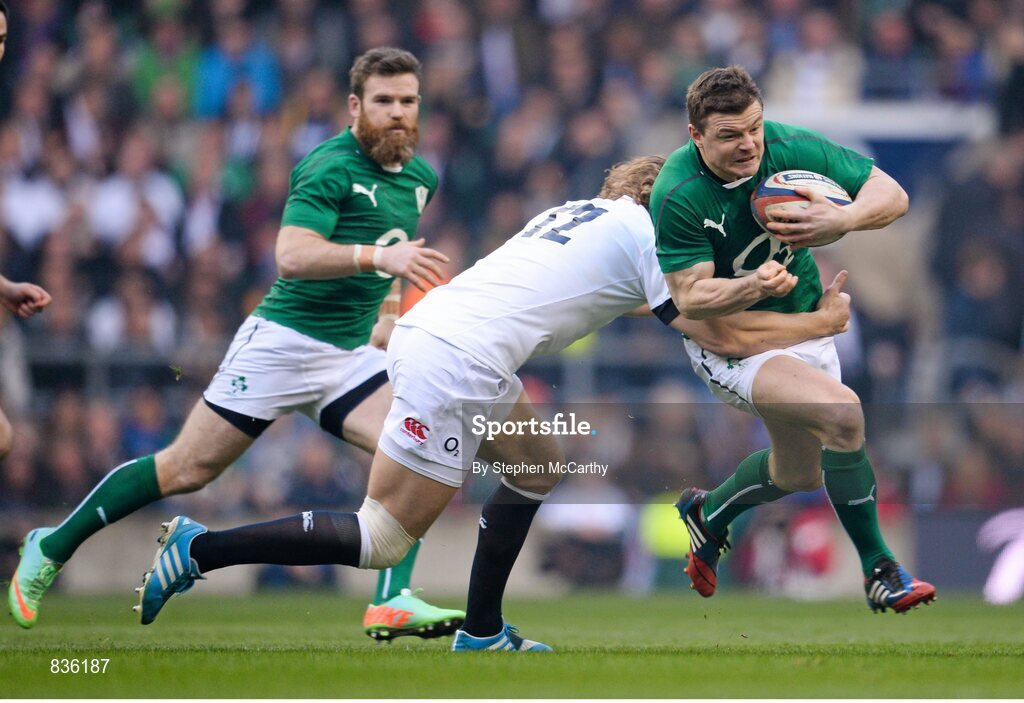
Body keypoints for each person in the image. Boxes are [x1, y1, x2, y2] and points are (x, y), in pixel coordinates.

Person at [132, 156, 851, 650]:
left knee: (538, 462)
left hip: (447, 336)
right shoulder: (648, 233)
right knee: (381, 535)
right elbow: (705, 323)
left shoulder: (583, 214)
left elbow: (612, 299)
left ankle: (482, 628)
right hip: (458, 359)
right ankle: (201, 547)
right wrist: (810, 320)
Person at [8, 47, 464, 641]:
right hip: (281, 344)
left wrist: (384, 318)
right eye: (384, 102)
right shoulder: (327, 166)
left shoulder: (421, 178)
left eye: (408, 101)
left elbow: (390, 255)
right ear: (355, 107)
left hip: (349, 355)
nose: (398, 113)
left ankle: (391, 600)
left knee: (420, 448)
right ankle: (52, 544)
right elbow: (292, 256)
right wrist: (380, 257)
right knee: (185, 469)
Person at [651, 65, 935, 613]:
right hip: (734, 344)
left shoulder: (787, 146)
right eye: (729, 135)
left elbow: (892, 195)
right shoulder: (679, 192)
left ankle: (709, 514)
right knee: (844, 414)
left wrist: (843, 220)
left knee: (797, 473)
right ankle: (880, 568)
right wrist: (752, 283)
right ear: (696, 135)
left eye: (753, 128)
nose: (748, 144)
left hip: (802, 322)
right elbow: (688, 298)